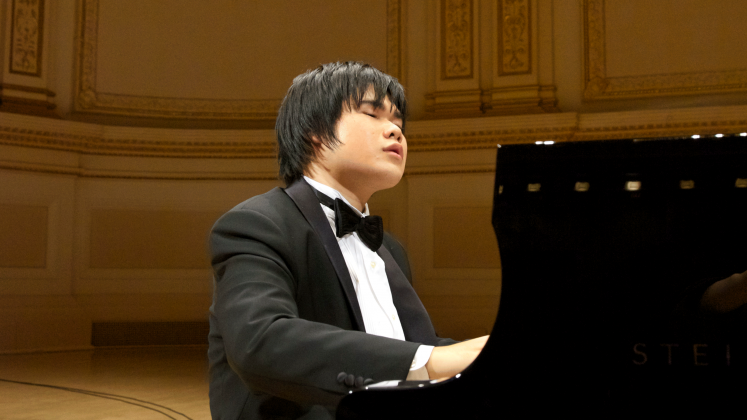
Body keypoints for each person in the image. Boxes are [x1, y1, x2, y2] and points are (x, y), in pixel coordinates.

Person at [208, 62, 488, 420]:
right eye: (373, 114)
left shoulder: (391, 250)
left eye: (398, 122)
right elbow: (260, 341)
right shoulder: (258, 224)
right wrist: (434, 359)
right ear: (315, 132)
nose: (396, 131)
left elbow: (413, 349)